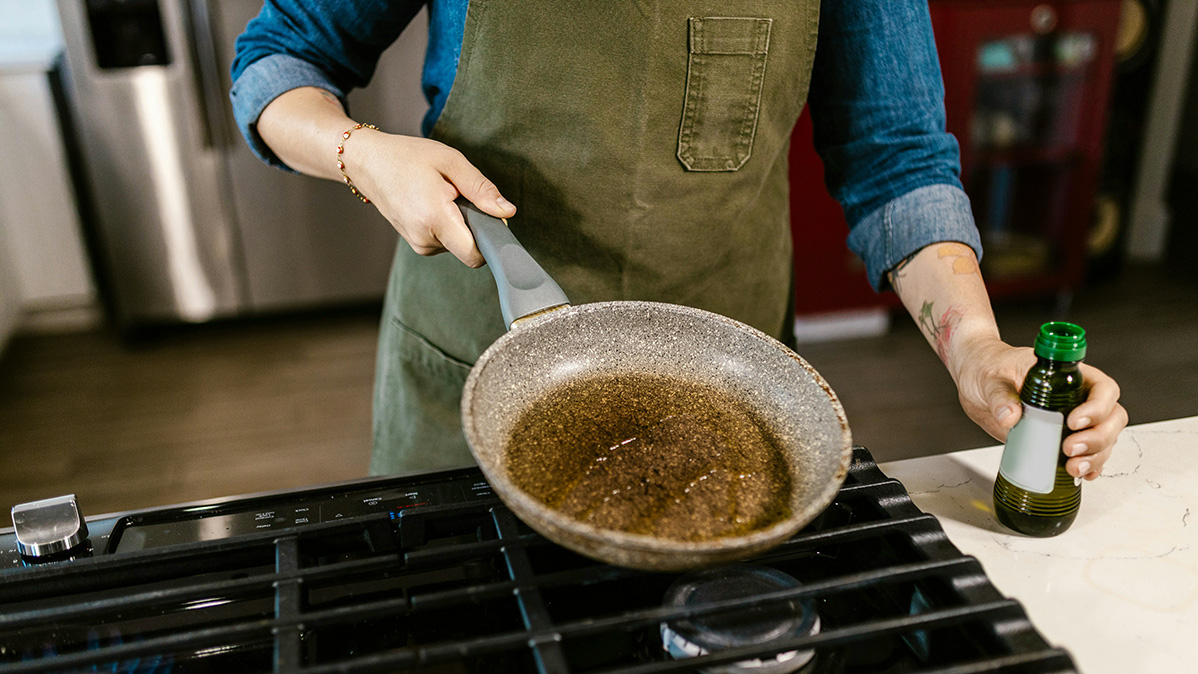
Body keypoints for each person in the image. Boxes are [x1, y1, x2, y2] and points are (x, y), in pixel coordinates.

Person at [230, 0, 1126, 478]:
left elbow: (897, 159)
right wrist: (361, 152)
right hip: (475, 367)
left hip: (720, 393)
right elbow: (278, 60)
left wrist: (974, 346)